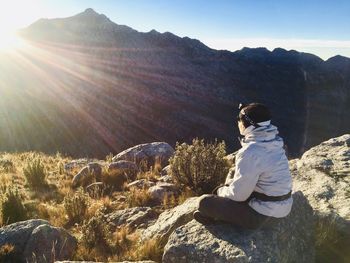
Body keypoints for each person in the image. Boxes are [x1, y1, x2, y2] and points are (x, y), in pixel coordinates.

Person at [193, 103, 293, 229]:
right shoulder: (275, 141)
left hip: (264, 216)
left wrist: (220, 191)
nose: (238, 122)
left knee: (204, 202)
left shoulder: (250, 151)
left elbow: (238, 196)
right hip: (283, 207)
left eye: (239, 120)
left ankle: (217, 218)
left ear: (247, 124)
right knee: (233, 176)